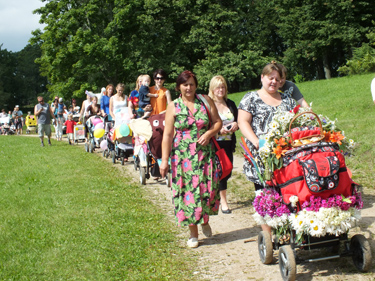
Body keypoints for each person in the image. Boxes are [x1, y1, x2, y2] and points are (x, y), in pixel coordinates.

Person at [160, 70, 222, 248]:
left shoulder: (205, 101)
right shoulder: (173, 106)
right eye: (185, 84)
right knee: (189, 194)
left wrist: (209, 133)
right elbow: (168, 134)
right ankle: (193, 233)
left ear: (196, 85)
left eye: (192, 84)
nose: (189, 88)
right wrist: (164, 160)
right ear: (179, 86)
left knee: (206, 190)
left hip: (204, 155)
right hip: (183, 157)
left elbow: (218, 122)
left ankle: (204, 220)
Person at [238, 61, 296, 234]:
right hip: (261, 155)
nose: (274, 82)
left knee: (287, 191)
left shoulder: (287, 100)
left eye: (278, 79)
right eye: (271, 78)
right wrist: (256, 141)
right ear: (262, 77)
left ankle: (287, 228)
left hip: (286, 155)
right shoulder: (251, 98)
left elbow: (296, 122)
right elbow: (243, 122)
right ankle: (268, 234)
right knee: (265, 194)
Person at [208, 75, 238, 214]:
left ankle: (218, 198)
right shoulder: (209, 105)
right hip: (214, 144)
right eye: (218, 87)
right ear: (212, 89)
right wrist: (216, 129)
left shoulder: (230, 104)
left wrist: (235, 125)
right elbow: (205, 124)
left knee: (227, 170)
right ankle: (223, 202)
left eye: (223, 87)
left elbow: (238, 121)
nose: (220, 90)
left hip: (228, 143)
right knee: (220, 172)